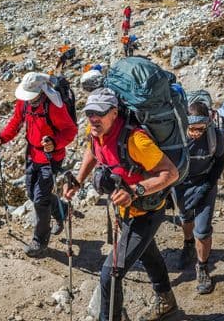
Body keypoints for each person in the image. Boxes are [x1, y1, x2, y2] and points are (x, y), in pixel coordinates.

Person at [63, 88, 179, 321]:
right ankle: (167, 302)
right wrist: (78, 180)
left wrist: (136, 190)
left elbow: (171, 173)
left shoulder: (136, 140)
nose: (93, 118)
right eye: (89, 113)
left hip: (146, 212)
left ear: (114, 113)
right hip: (125, 209)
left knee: (110, 274)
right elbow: (93, 152)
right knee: (148, 253)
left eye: (100, 112)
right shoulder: (95, 131)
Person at [0, 72, 78, 258]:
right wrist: (2, 138)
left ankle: (40, 241)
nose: (29, 100)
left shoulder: (54, 106)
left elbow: (70, 130)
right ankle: (62, 210)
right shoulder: (24, 103)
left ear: (41, 91)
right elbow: (16, 122)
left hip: (51, 158)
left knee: (40, 200)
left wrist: (54, 143)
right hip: (32, 154)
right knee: (32, 193)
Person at [173, 96, 224, 294]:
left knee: (202, 230)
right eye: (192, 129)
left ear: (208, 124)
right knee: (185, 217)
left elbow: (219, 161)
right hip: (181, 183)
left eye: (201, 129)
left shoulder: (215, 136)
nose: (196, 133)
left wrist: (206, 187)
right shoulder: (176, 136)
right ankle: (187, 244)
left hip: (205, 182)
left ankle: (202, 267)